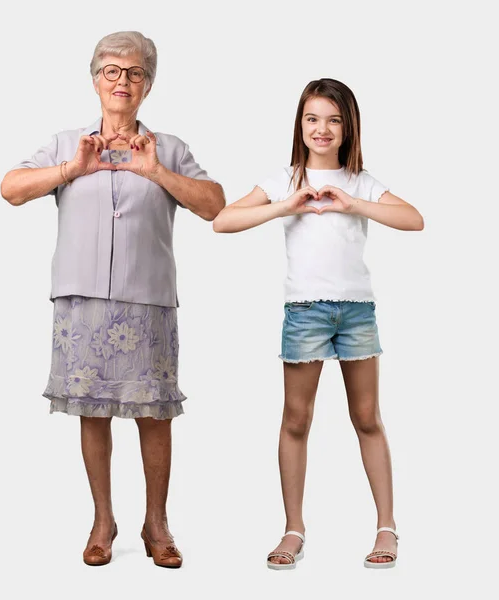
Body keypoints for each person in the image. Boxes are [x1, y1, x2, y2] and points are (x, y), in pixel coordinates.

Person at [1, 31, 225, 568]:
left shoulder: (167, 148)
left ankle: (157, 523)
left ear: (147, 85)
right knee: (92, 412)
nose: (122, 81)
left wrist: (157, 173)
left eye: (134, 73)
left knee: (154, 414)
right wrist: (70, 171)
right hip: (81, 301)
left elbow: (215, 204)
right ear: (96, 79)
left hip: (147, 300)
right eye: (112, 71)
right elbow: (10, 187)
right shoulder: (65, 144)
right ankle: (103, 521)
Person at [213, 78, 423, 570]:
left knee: (367, 417)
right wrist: (288, 204)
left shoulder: (362, 181)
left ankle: (386, 527)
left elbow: (413, 219)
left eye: (333, 119)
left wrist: (353, 203)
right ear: (300, 125)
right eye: (312, 119)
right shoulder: (283, 180)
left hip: (356, 311)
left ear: (348, 126)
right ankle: (293, 529)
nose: (322, 129)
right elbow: (222, 220)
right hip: (304, 311)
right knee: (296, 419)